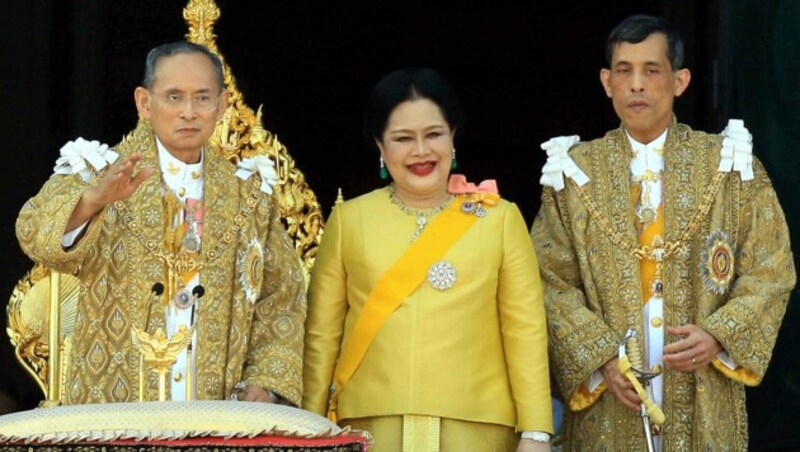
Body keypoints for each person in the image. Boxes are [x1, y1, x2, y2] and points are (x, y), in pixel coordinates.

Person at [532, 14, 795, 450]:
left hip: (705, 398)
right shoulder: (573, 174)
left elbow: (772, 268)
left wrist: (719, 335)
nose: (636, 84)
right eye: (624, 71)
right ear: (606, 81)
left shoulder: (729, 166)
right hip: (609, 407)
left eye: (651, 70)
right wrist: (600, 359)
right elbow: (547, 280)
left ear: (680, 80)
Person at [16, 41, 306, 405]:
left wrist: (263, 383)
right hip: (116, 407)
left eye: (202, 98)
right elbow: (32, 231)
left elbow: (281, 300)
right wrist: (93, 201)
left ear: (222, 104)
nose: (188, 112)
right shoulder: (98, 170)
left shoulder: (250, 199)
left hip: (215, 409)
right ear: (144, 103)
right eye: (173, 97)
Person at [303, 68, 553, 451]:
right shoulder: (350, 220)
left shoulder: (499, 218)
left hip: (477, 427)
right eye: (403, 139)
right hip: (370, 428)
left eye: (433, 135)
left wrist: (535, 432)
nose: (421, 151)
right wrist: (310, 428)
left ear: (453, 136)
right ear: (380, 147)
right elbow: (322, 336)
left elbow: (526, 333)